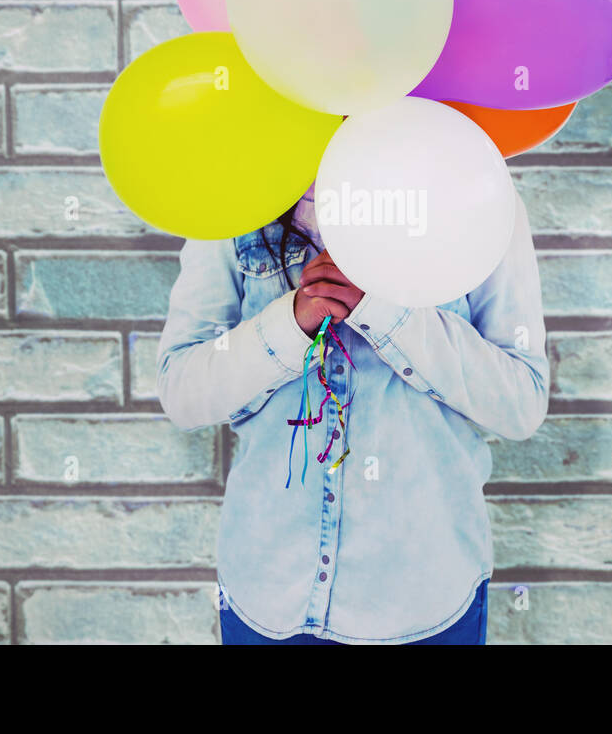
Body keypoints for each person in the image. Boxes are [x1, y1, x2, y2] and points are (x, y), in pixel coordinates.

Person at [153, 182, 549, 644]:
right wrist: (290, 322)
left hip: (424, 595)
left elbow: (521, 401)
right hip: (269, 590)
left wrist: (382, 309)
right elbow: (182, 390)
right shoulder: (236, 193)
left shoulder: (475, 191)